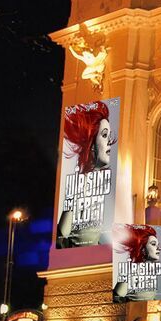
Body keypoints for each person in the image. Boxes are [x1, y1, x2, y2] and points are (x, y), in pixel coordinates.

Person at [56, 100, 115, 248]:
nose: (109, 141)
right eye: (104, 135)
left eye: (109, 135)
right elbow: (63, 233)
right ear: (91, 144)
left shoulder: (105, 184)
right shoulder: (81, 186)